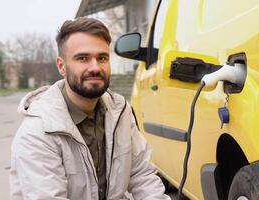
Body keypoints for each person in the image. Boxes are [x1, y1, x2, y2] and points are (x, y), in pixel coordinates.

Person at [9, 17, 170, 200]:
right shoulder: (37, 132)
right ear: (62, 66)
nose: (95, 67)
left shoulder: (119, 112)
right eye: (83, 58)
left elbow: (142, 176)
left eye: (102, 58)